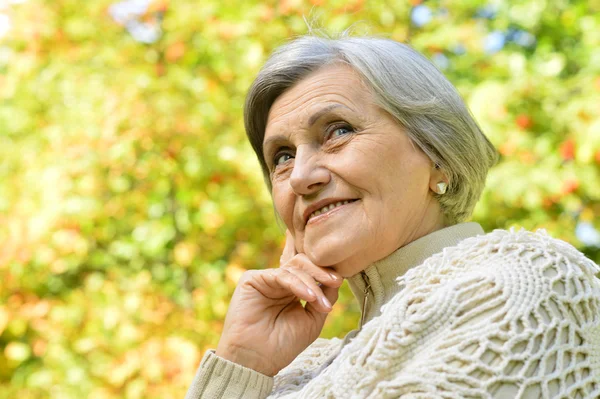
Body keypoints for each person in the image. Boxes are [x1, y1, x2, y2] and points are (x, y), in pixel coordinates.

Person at [185, 32, 600, 398]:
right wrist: (242, 363)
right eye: (283, 156)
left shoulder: (522, 280)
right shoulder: (299, 369)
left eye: (338, 131)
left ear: (438, 156)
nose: (300, 177)